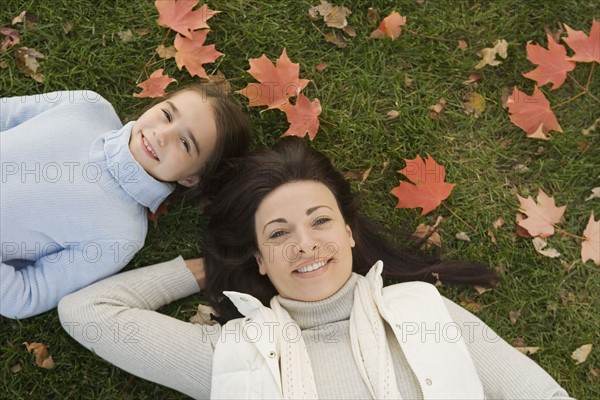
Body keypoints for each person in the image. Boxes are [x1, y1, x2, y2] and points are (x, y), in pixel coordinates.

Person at [58, 137, 573, 399]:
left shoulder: (425, 313)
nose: (306, 245)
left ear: (348, 233)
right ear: (258, 259)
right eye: (278, 233)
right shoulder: (233, 354)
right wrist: (209, 269)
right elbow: (88, 311)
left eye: (320, 221)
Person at [1, 83, 251, 319]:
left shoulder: (120, 237)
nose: (162, 134)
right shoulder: (88, 106)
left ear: (191, 179)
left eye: (185, 143)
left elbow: (26, 295)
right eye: (167, 114)